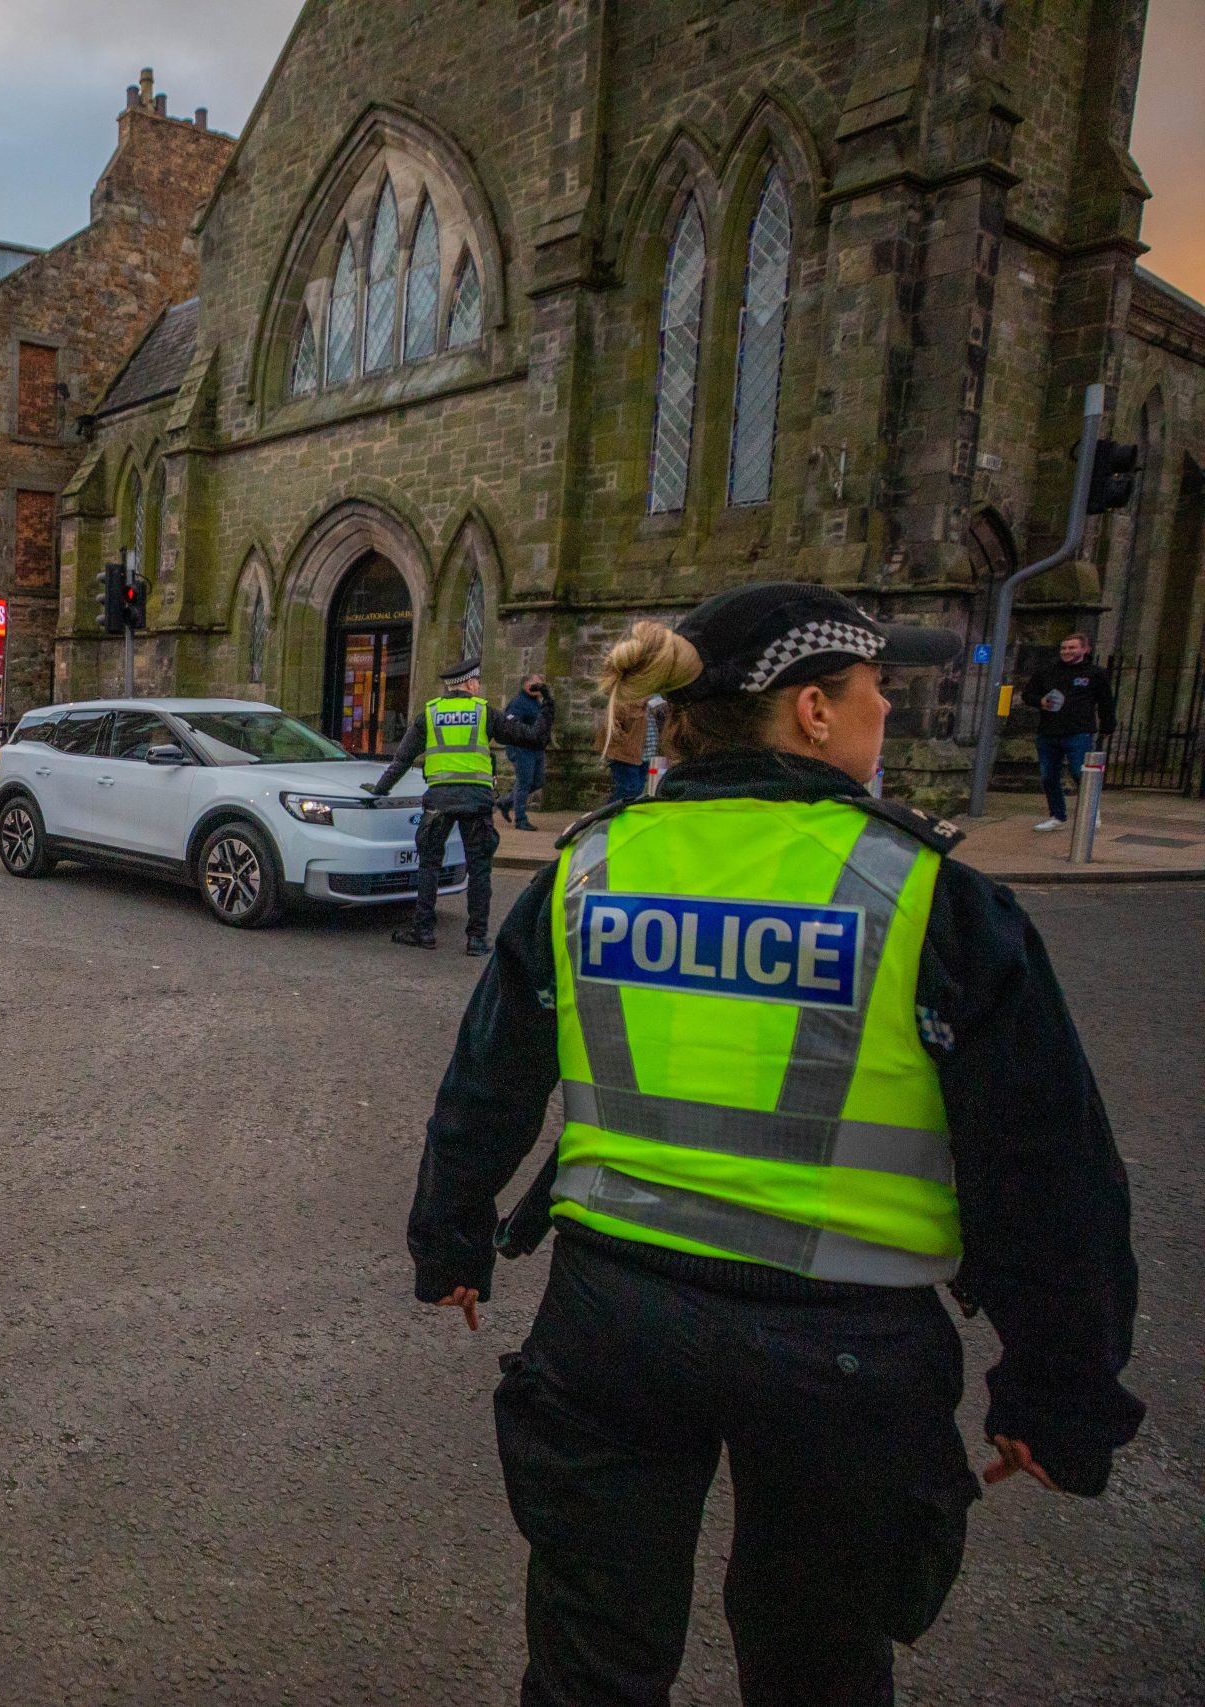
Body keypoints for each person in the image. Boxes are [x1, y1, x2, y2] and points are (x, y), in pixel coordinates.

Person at [406, 582, 1143, 1707]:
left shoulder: (589, 871)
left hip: (610, 1318)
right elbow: (1047, 1171)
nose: (882, 711)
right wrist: (1059, 1388)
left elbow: (487, 1081)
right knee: (816, 1665)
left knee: (589, 1656)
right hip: (842, 1348)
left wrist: (451, 1239)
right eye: (871, 689)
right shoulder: (925, 895)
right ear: (809, 711)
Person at [365, 658, 548, 954]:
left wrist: (380, 790)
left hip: (440, 800)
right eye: (477, 683)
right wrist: (547, 704)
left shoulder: (431, 712)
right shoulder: (483, 712)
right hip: (476, 801)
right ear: (471, 684)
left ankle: (423, 930)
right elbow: (533, 738)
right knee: (479, 869)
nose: (478, 687)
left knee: (429, 865)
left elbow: (403, 759)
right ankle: (476, 938)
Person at [1025, 633, 1115, 831]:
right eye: (1064, 648)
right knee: (1048, 776)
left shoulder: (1095, 674)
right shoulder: (1047, 672)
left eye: (1072, 648)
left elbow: (1106, 701)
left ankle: (1091, 812)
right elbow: (1028, 695)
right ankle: (1057, 816)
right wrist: (1040, 701)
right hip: (1048, 732)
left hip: (1079, 732)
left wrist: (1108, 727)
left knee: (1079, 773)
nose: (1066, 652)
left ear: (1085, 649)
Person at [501, 675, 554, 830]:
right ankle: (521, 819)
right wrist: (529, 734)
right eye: (535, 684)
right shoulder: (518, 703)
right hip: (521, 748)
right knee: (524, 783)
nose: (538, 687)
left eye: (540, 685)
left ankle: (506, 802)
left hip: (536, 748)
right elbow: (511, 723)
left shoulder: (538, 703)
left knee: (538, 782)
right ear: (525, 685)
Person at [603, 691, 649, 803]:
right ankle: (609, 813)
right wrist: (625, 744)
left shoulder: (653, 706)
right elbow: (612, 726)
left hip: (645, 755)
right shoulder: (623, 702)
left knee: (638, 789)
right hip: (626, 756)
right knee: (629, 789)